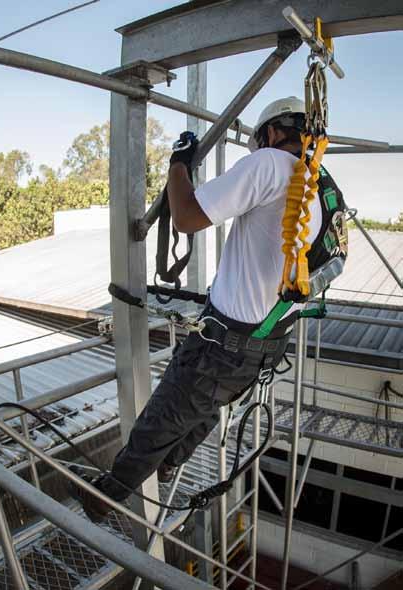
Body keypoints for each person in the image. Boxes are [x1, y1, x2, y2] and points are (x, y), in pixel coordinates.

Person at [70, 96, 329, 521]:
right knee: (208, 404)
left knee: (161, 421)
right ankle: (171, 464)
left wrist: (179, 165)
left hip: (221, 347)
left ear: (272, 133)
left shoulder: (269, 164)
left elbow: (187, 217)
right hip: (263, 345)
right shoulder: (315, 185)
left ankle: (102, 499)